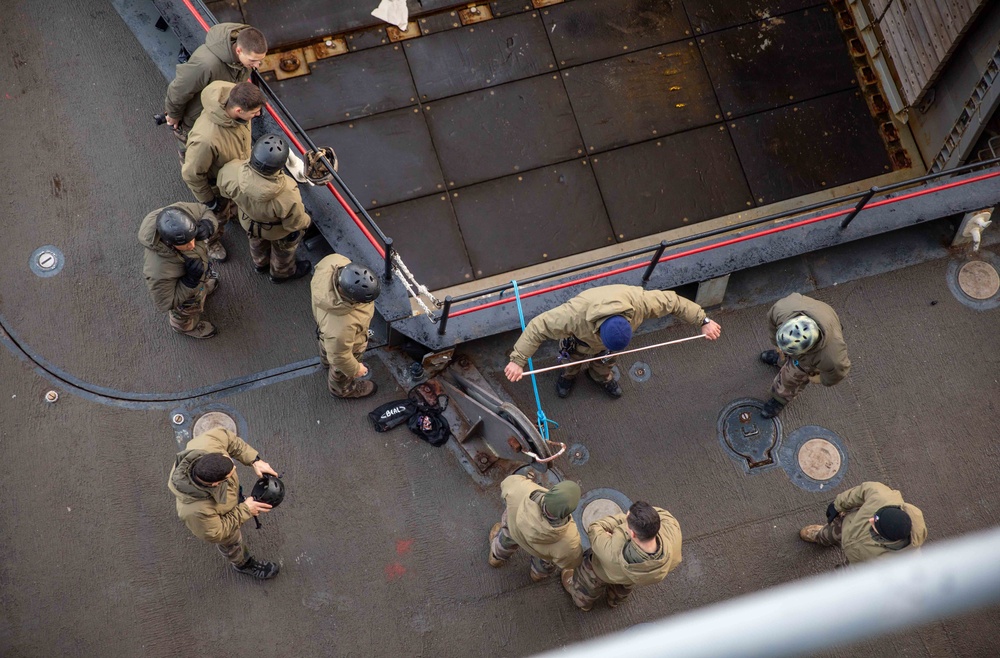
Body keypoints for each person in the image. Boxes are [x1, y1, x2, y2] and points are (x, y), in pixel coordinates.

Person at [504, 284, 722, 398]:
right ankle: (569, 375)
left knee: (607, 360)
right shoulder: (571, 315)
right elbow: (537, 327)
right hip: (578, 343)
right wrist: (518, 360)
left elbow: (673, 302)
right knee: (571, 361)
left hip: (606, 348)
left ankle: (600, 377)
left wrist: (703, 319)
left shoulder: (640, 303)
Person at [167, 427, 281, 579]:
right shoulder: (195, 510)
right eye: (230, 473)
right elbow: (217, 533)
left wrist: (255, 460)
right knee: (231, 543)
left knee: (236, 496)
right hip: (219, 520)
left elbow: (228, 438)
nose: (235, 468)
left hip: (228, 495)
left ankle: (237, 502)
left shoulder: (207, 444)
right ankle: (243, 564)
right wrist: (245, 510)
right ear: (216, 484)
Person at [181, 80, 266, 261]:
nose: (258, 115)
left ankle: (232, 212)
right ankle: (210, 242)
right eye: (254, 112)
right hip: (216, 187)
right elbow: (191, 174)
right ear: (238, 111)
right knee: (216, 219)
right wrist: (209, 200)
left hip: (235, 176)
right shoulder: (206, 140)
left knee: (231, 207)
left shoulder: (237, 104)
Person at [163, 23, 267, 163]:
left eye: (260, 61)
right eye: (253, 61)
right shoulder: (206, 65)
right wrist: (173, 115)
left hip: (216, 116)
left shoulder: (242, 61)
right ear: (239, 51)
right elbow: (178, 90)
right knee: (193, 157)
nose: (257, 66)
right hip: (193, 122)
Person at [217, 133, 313, 282]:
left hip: (248, 221)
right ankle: (281, 273)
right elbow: (295, 223)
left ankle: (260, 264)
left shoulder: (230, 171)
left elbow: (224, 192)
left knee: (256, 243)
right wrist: (307, 221)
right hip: (275, 231)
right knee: (284, 249)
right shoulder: (288, 193)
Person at [562, 501, 682, 611]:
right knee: (624, 585)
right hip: (634, 576)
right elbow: (659, 514)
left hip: (604, 572)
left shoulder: (611, 551)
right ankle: (613, 600)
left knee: (588, 581)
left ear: (633, 534)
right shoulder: (672, 528)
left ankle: (583, 603)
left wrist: (620, 525)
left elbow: (595, 529)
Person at [758, 293, 850, 418]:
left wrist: (818, 378)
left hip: (812, 356)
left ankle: (780, 398)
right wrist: (777, 346)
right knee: (784, 354)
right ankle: (782, 359)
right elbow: (772, 324)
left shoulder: (831, 356)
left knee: (793, 377)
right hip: (816, 313)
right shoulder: (782, 310)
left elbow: (837, 373)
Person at [138, 203, 220, 338]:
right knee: (185, 313)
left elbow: (204, 210)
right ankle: (184, 327)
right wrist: (190, 282)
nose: (192, 244)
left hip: (198, 275)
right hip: (185, 295)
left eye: (192, 237)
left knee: (201, 284)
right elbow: (166, 303)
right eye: (185, 243)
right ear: (169, 242)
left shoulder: (180, 214)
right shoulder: (158, 270)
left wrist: (208, 225)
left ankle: (202, 289)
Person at [799, 481, 927, 565]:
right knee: (832, 531)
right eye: (876, 517)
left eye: (876, 526)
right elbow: (862, 491)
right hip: (848, 527)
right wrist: (837, 505)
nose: (871, 520)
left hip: (858, 566)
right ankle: (821, 537)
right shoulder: (883, 498)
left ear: (887, 538)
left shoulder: (904, 562)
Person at [310, 254, 381, 399]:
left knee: (327, 347)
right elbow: (340, 357)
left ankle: (325, 361)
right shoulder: (341, 330)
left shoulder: (333, 262)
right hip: (342, 343)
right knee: (340, 369)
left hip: (326, 331)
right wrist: (356, 369)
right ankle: (343, 390)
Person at [488, 475, 582, 582]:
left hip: (514, 531)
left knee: (506, 537)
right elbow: (571, 561)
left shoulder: (522, 488)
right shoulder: (569, 540)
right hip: (542, 552)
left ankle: (496, 558)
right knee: (546, 563)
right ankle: (537, 575)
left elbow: (506, 482)